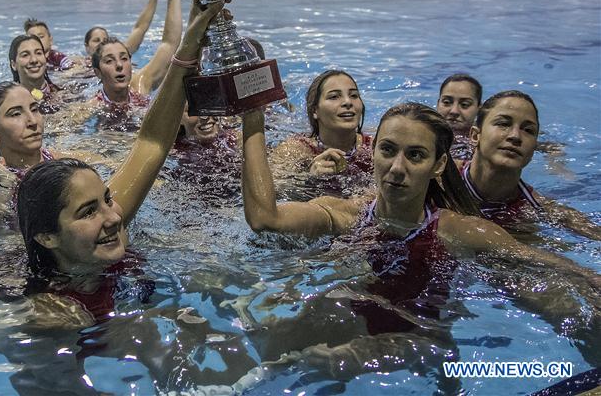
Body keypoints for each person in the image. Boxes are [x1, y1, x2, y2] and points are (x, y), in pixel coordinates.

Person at [241, 102, 601, 377]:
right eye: (388, 150)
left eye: (415, 155)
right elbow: (264, 218)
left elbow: (563, 271)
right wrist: (252, 121)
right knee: (258, 337)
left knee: (325, 361)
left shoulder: (460, 231)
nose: (397, 168)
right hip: (356, 317)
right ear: (372, 151)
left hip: (422, 344)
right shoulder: (345, 214)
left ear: (439, 165)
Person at [14, 0, 223, 323]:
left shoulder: (107, 233)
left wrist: (192, 38)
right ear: (47, 237)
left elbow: (152, 142)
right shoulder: (56, 313)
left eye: (107, 199)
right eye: (88, 212)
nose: (113, 216)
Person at [461, 90, 600, 239]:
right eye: (503, 124)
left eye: (528, 130)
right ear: (475, 136)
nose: (515, 136)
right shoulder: (440, 178)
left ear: (534, 147)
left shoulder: (535, 209)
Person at [270, 70, 371, 195]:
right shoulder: (294, 150)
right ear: (315, 110)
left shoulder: (375, 146)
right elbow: (271, 192)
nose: (347, 102)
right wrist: (309, 179)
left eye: (354, 95)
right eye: (334, 96)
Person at [90, 0, 182, 106]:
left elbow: (170, 44)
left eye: (124, 58)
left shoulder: (140, 86)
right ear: (98, 73)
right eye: (109, 61)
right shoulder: (91, 107)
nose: (119, 65)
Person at [436, 73, 481, 160]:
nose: (454, 111)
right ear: (438, 104)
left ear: (479, 109)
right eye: (446, 102)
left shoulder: (482, 141)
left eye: (464, 104)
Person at [8, 35, 60, 108]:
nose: (34, 60)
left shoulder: (62, 93)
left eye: (38, 53)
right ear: (13, 65)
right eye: (25, 55)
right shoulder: (9, 100)